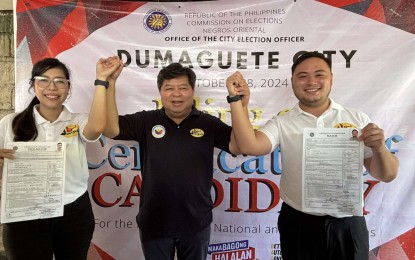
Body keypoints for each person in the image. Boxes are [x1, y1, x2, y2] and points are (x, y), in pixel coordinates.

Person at [225, 51, 399, 260]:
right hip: (299, 224)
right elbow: (248, 145)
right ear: (292, 81)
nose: (311, 82)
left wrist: (380, 148)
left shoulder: (357, 118)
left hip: (348, 223)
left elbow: (387, 175)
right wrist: (237, 101)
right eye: (302, 76)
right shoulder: (283, 121)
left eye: (319, 74)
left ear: (331, 78)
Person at [103, 60, 248, 260]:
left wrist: (239, 102)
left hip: (196, 223)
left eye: (183, 88)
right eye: (169, 88)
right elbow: (111, 129)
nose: (176, 94)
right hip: (154, 222)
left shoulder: (207, 123)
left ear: (192, 91)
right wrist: (109, 84)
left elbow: (239, 145)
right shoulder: (146, 121)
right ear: (160, 92)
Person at [0, 56, 121, 259]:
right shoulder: (10, 122)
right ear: (33, 85)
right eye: (43, 80)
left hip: (73, 210)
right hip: (24, 211)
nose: (52, 87)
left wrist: (102, 80)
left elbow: (96, 129)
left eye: (59, 81)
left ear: (68, 87)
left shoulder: (77, 121)